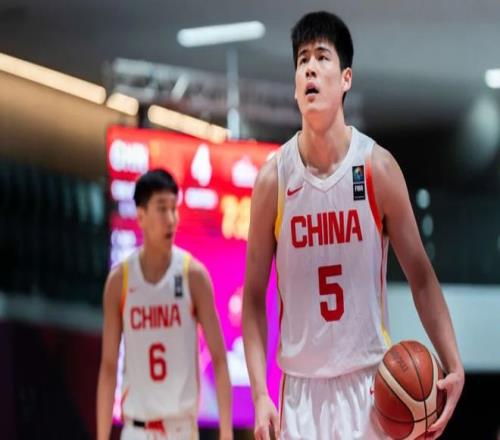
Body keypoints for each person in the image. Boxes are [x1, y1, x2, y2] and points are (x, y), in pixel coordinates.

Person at [242, 11, 464, 440]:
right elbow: (252, 297)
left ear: (346, 78)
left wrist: (452, 361)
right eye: (302, 60)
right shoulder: (274, 180)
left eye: (321, 57)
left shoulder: (377, 167)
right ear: (295, 84)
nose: (310, 67)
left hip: (369, 388)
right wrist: (258, 393)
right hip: (300, 394)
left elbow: (421, 275)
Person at [97, 169, 233, 440]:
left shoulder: (194, 275)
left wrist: (227, 432)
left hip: (181, 429)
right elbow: (109, 366)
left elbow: (219, 359)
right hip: (136, 430)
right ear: (141, 215)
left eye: (174, 208)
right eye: (162, 208)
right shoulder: (119, 281)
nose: (171, 219)